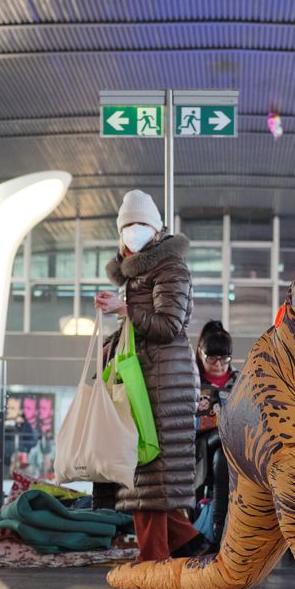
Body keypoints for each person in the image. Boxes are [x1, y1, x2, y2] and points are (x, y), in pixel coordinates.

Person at [93, 190, 203, 560]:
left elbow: (169, 325)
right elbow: (139, 330)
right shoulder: (136, 274)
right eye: (127, 226)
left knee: (150, 476)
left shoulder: (170, 268)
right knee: (148, 476)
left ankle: (152, 560)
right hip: (147, 379)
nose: (133, 232)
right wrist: (112, 337)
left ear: (157, 229)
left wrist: (124, 310)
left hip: (165, 383)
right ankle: (188, 542)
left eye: (141, 225)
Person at [194, 320, 237, 550]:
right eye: (212, 358)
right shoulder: (192, 383)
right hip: (200, 446)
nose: (219, 364)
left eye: (224, 358)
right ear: (201, 354)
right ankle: (219, 529)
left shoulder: (240, 381)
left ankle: (222, 529)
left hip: (232, 448)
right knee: (221, 445)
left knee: (224, 452)